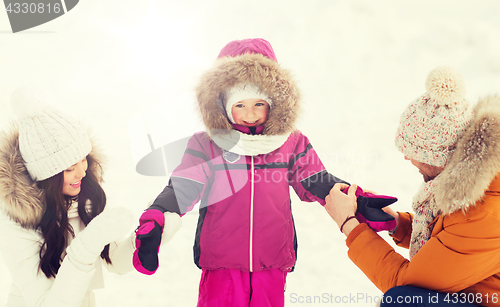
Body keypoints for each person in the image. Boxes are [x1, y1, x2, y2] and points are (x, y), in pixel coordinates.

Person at [132, 38, 350, 307]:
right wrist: (157, 215)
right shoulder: (207, 144)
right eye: (240, 105)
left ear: (274, 103)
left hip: (271, 262)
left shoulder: (290, 142)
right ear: (223, 105)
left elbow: (315, 181)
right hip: (221, 265)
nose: (250, 114)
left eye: (259, 104)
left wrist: (356, 199)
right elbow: (184, 186)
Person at [324, 67, 500, 306]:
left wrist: (348, 225)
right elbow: (448, 244)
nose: (407, 158)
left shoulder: (483, 213)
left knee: (402, 301)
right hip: (471, 291)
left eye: (413, 152)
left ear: (438, 157)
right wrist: (396, 223)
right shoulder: (472, 185)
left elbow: (406, 283)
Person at [0, 88, 135, 307]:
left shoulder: (83, 197)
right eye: (71, 167)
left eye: (84, 159)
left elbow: (114, 259)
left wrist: (145, 238)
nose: (82, 172)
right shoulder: (15, 222)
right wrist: (86, 246)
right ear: (47, 175)